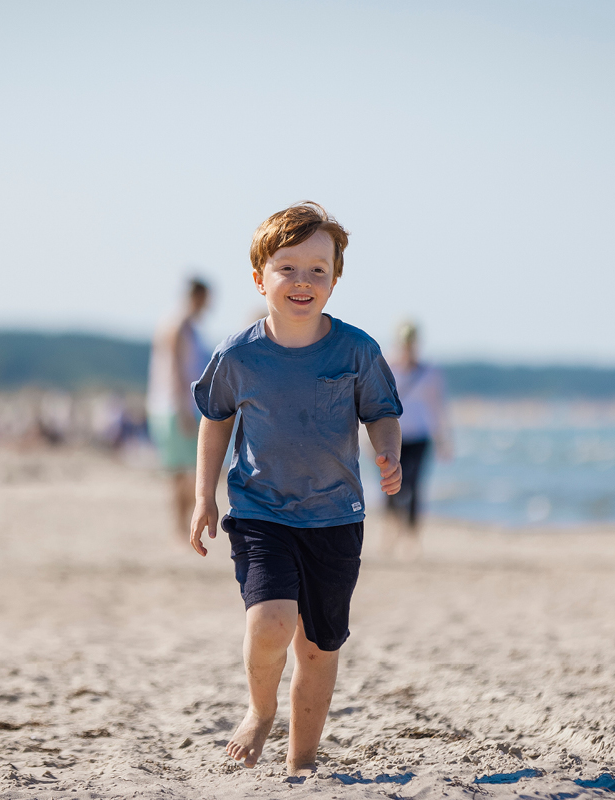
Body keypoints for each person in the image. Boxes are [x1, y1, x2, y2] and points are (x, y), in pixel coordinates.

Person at [189, 202, 403, 776]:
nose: (302, 281)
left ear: (335, 279)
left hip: (335, 516)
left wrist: (388, 450)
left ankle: (302, 760)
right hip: (261, 510)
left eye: (317, 269)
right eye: (288, 268)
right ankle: (260, 711)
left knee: (317, 647)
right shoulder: (239, 355)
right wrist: (203, 494)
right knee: (271, 624)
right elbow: (216, 419)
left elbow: (382, 412)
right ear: (260, 277)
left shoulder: (357, 350)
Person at [147, 278, 212, 541]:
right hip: (175, 406)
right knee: (182, 470)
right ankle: (179, 528)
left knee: (186, 469)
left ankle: (182, 527)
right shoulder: (178, 324)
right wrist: (184, 408)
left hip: (176, 405)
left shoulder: (185, 325)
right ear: (197, 296)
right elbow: (174, 370)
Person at [384, 322, 451, 554]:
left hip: (419, 437)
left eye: (411, 344)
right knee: (390, 487)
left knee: (413, 486)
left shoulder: (429, 372)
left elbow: (437, 407)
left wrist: (443, 439)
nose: (408, 348)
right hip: (389, 437)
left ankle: (411, 537)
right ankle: (392, 529)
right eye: (404, 344)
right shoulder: (386, 367)